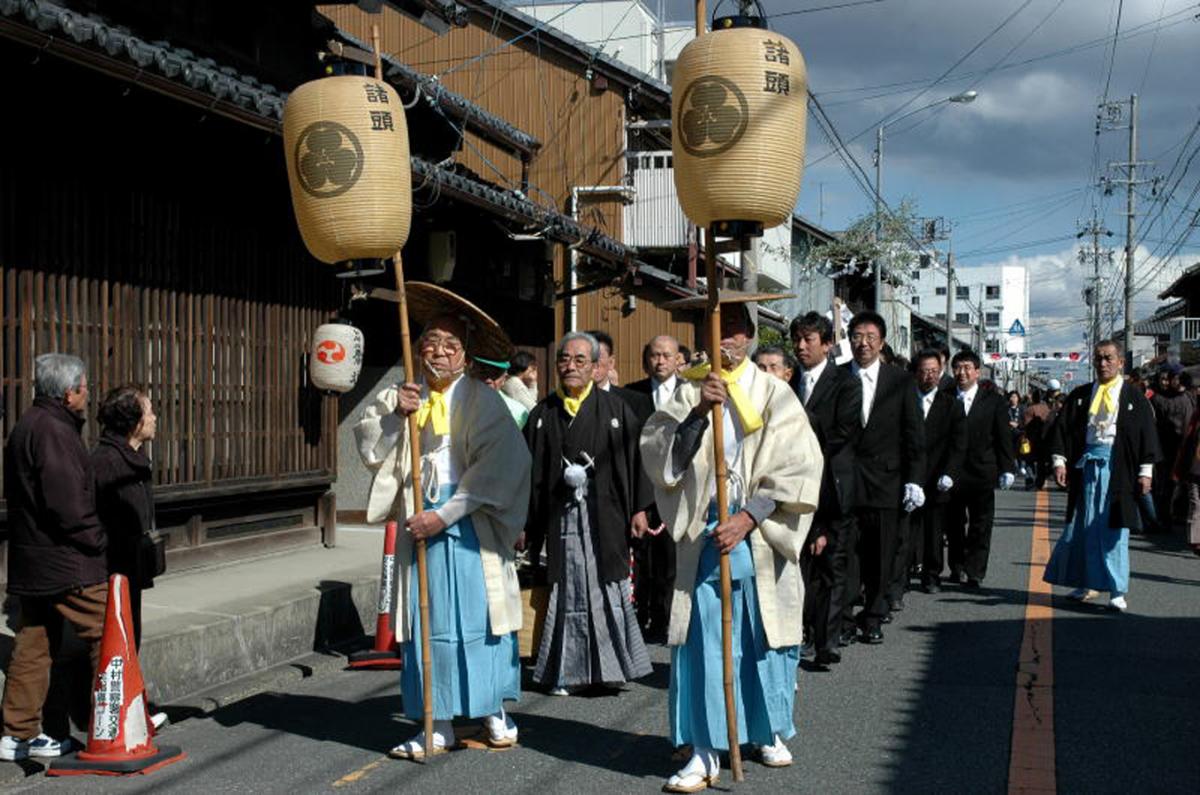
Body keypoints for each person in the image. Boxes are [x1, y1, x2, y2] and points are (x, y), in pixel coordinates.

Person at [642, 299, 822, 790]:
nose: (727, 336)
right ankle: (705, 748)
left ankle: (766, 729)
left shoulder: (774, 392)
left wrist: (747, 517)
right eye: (718, 325)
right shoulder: (685, 391)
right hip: (704, 533)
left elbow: (800, 466)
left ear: (749, 336)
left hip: (760, 531)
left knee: (762, 638)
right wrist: (700, 410)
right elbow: (660, 459)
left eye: (737, 326)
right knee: (705, 642)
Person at [355, 287, 531, 757]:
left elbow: (503, 465)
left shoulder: (482, 399)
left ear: (466, 357)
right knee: (426, 621)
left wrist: (447, 514)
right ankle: (438, 722)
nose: (438, 352)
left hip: (471, 521)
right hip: (419, 516)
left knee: (482, 619)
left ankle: (493, 709)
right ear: (418, 349)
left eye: (451, 345)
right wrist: (397, 416)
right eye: (431, 342)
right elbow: (371, 448)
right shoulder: (401, 394)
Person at [524, 332, 654, 694]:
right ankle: (566, 671)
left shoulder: (616, 410)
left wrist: (640, 509)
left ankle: (610, 668)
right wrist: (525, 521)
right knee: (567, 590)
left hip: (606, 515)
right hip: (561, 517)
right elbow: (526, 472)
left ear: (596, 367)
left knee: (606, 587)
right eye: (564, 359)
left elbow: (637, 460)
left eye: (580, 360)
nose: (570, 366)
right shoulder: (542, 413)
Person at [1, 354, 107, 762]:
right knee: (108, 632)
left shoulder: (30, 423)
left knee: (33, 642)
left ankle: (18, 734)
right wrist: (97, 539)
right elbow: (67, 504)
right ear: (69, 393)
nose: (88, 393)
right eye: (84, 387)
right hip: (66, 559)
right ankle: (111, 726)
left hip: (34, 558)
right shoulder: (53, 431)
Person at [1045, 340, 1160, 611]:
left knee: (1114, 529)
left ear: (1121, 362)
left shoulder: (1134, 397)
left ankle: (1117, 590)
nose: (1103, 363)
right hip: (1086, 466)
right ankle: (1086, 582)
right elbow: (1063, 430)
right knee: (1082, 526)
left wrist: (1146, 471)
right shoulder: (1081, 394)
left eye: (1109, 358)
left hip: (1118, 468)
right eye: (1098, 358)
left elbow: (1147, 435)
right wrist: (1060, 461)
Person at [843, 312, 925, 644]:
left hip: (886, 481)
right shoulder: (837, 377)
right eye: (857, 336)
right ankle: (843, 618)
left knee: (880, 553)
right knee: (846, 553)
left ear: (882, 343)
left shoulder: (900, 381)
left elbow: (913, 433)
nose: (863, 343)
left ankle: (874, 615)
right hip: (845, 480)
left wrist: (914, 479)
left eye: (870, 337)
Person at [789, 311, 861, 667]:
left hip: (832, 486)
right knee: (797, 566)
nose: (801, 347)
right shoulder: (788, 382)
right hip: (793, 487)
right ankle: (797, 633)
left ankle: (826, 641)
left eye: (809, 340)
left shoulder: (846, 383)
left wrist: (801, 434)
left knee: (832, 566)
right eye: (797, 340)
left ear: (828, 344)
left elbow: (843, 432)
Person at [92, 386, 158, 648]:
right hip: (112, 572)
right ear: (134, 422)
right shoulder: (106, 463)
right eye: (149, 412)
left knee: (131, 638)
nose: (154, 418)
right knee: (116, 644)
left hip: (132, 568)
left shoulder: (134, 458)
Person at [626, 334, 682, 638]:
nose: (660, 361)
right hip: (643, 485)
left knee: (671, 558)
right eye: (654, 355)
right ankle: (641, 615)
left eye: (666, 355)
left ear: (677, 359)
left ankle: (666, 616)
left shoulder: (690, 393)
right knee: (642, 556)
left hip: (678, 487)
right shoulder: (630, 394)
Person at [945, 351, 1016, 589]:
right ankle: (956, 567)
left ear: (977, 372)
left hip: (982, 471)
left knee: (981, 524)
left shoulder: (993, 400)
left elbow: (1003, 436)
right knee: (954, 523)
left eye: (967, 367)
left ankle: (975, 570)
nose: (962, 372)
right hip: (951, 473)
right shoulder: (945, 397)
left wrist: (1007, 468)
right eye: (957, 367)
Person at [910, 350, 967, 593]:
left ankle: (932, 575)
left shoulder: (951, 404)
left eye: (934, 371)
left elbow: (958, 443)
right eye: (924, 371)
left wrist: (949, 473)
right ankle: (902, 576)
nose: (929, 376)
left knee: (934, 529)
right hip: (908, 475)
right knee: (907, 529)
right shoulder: (905, 400)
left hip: (937, 475)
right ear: (916, 373)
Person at [1149, 363, 1193, 532]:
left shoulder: (1188, 397)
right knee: (1167, 484)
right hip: (1167, 448)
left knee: (1184, 485)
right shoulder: (1159, 399)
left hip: (1185, 447)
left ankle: (1180, 514)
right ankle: (1164, 517)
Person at [586, 329, 654, 421]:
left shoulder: (635, 402)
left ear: (611, 362)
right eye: (587, 356)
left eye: (599, 357)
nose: (594, 363)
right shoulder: (569, 401)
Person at [1172, 405, 1200, 556]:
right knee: (1195, 503)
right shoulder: (1196, 416)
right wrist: (1180, 468)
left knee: (1196, 504)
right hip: (1194, 468)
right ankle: (1195, 541)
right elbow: (1187, 442)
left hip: (1193, 467)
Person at [474, 358, 529, 428]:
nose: (488, 380)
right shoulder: (462, 404)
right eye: (483, 372)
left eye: (495, 374)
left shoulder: (517, 413)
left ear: (504, 378)